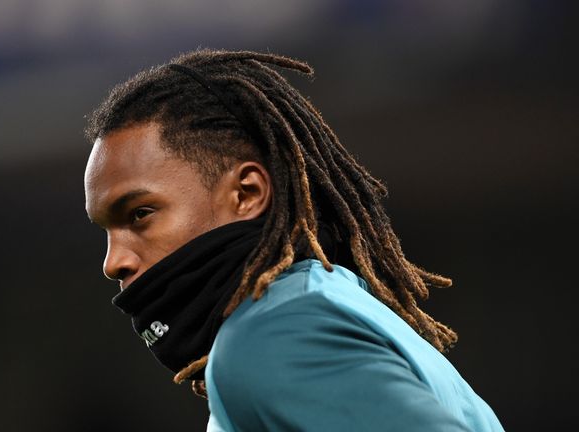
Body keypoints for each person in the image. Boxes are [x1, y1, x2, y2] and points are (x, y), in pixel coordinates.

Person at [83, 49, 503, 431]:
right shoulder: (318, 304)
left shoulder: (272, 335)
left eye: (140, 214)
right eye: (106, 231)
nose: (113, 262)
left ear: (246, 194)